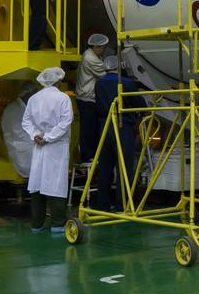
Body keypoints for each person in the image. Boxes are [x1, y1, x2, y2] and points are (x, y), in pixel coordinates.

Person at [22, 67, 73, 233]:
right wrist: (49, 137)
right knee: (56, 183)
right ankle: (58, 224)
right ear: (58, 81)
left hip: (39, 146)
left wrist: (35, 135)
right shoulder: (63, 98)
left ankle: (37, 224)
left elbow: (26, 121)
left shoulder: (33, 99)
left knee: (37, 183)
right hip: (56, 146)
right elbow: (66, 122)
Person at [92, 57, 140, 211]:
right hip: (123, 126)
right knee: (124, 167)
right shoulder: (127, 83)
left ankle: (103, 204)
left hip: (105, 127)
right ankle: (122, 205)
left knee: (105, 167)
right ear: (121, 67)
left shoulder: (99, 83)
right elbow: (139, 103)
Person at [76, 34, 109, 165]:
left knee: (91, 128)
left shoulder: (90, 55)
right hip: (87, 99)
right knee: (88, 129)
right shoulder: (90, 59)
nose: (104, 51)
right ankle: (87, 157)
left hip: (87, 98)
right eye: (102, 48)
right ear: (96, 47)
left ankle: (91, 155)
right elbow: (105, 73)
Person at [2, 82, 40, 180]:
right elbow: (22, 134)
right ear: (28, 94)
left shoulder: (16, 107)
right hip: (22, 152)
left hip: (20, 149)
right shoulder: (16, 110)